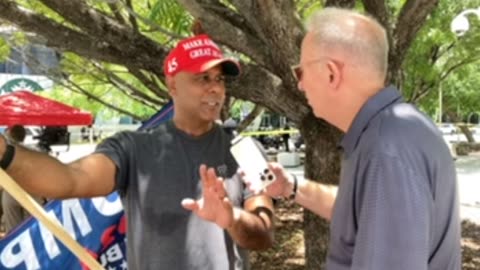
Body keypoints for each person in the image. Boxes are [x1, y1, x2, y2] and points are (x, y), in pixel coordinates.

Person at [0, 33, 274, 270]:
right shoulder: (133, 147)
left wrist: (232, 218)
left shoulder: (245, 150)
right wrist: (5, 154)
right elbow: (71, 179)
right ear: (173, 85)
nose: (216, 87)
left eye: (220, 79)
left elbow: (264, 234)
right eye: (203, 78)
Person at [250, 7, 461, 270]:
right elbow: (362, 212)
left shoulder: (385, 151)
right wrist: (289, 187)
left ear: (331, 73)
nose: (300, 85)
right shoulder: (394, 131)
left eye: (300, 72)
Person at [1, 125, 45, 233]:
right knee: (31, 228)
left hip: (10, 192)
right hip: (31, 193)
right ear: (24, 136)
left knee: (12, 231)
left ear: (9, 133)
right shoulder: (34, 151)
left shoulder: (5, 152)